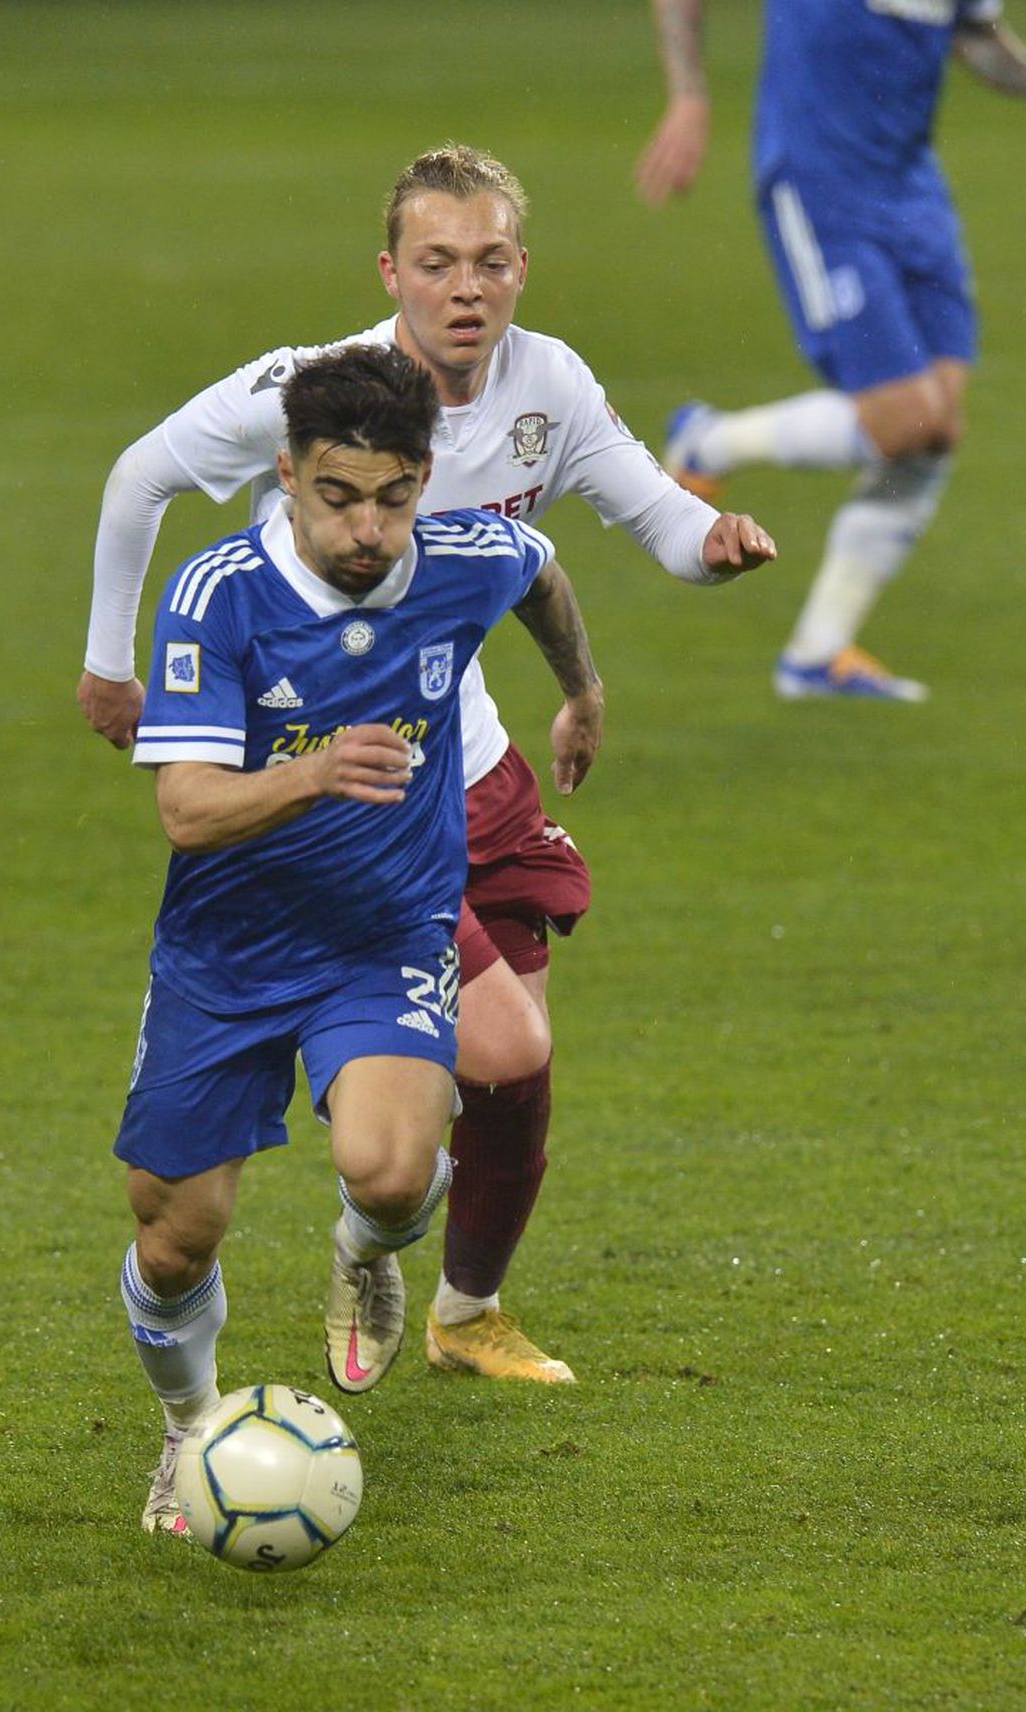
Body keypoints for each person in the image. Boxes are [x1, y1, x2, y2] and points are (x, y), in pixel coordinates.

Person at [83, 143, 778, 1389]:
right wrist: (108, 666)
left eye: (493, 261)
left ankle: (458, 1297)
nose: (468, 287)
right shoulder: (310, 393)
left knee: (518, 1064)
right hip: (330, 779)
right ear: (392, 271)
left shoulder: (545, 385)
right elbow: (143, 475)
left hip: (468, 756)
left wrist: (698, 553)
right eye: (440, 262)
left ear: (522, 270)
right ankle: (362, 1234)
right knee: (475, 1058)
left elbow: (623, 524)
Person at [118, 342, 603, 1533]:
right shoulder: (218, 594)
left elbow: (537, 569)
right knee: (177, 1237)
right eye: (338, 497)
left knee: (391, 1174)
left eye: (394, 497)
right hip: (225, 956)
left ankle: (367, 1250)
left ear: (422, 480)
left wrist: (582, 688)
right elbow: (185, 810)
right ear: (286, 475)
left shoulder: (461, 560)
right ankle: (191, 1434)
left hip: (384, 934)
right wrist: (319, 772)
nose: (368, 528)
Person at [636, 0, 1026, 702]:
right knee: (903, 418)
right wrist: (690, 96)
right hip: (821, 184)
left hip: (914, 193)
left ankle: (816, 656)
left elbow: (978, 38)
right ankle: (711, 441)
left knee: (935, 429)